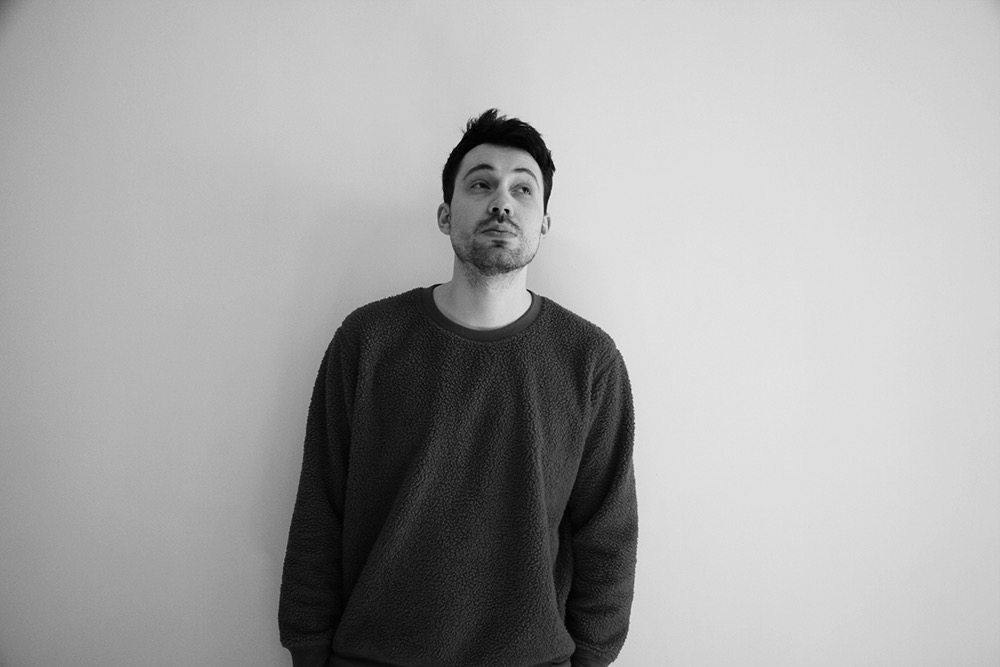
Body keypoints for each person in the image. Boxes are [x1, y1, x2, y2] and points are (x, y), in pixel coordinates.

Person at [278, 109, 638, 667]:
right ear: (446, 215)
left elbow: (607, 534)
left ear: (544, 222)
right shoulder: (368, 340)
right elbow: (319, 510)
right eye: (481, 184)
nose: (502, 202)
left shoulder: (589, 361)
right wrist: (307, 651)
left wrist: (591, 658)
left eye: (523, 188)